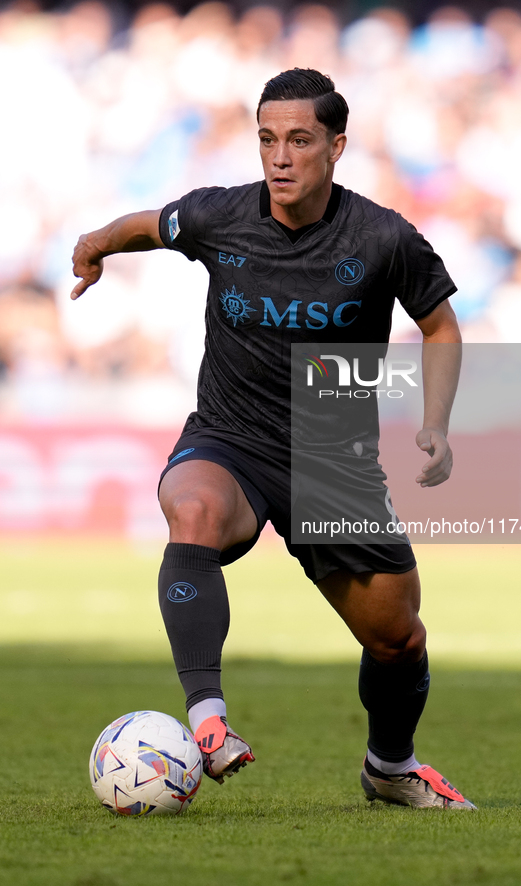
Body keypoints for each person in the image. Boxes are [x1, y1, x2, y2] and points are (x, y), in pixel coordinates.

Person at [71, 68, 474, 810]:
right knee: (190, 510)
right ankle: (208, 721)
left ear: (335, 146)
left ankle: (389, 768)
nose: (279, 157)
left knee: (397, 641)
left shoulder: (383, 238)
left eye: (298, 140)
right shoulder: (219, 217)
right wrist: (94, 243)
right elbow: (147, 226)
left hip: (332, 464)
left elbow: (440, 325)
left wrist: (435, 423)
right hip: (230, 438)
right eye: (266, 139)